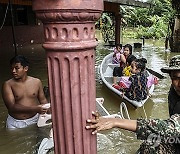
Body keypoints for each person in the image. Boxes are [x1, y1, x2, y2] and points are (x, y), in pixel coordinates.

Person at [86, 55, 180, 153]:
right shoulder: (174, 91)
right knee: (150, 144)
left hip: (175, 133)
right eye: (175, 78)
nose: (179, 84)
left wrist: (115, 122)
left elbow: (169, 126)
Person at [2, 55, 49, 129]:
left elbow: (43, 100)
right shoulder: (8, 85)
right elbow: (12, 107)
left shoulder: (36, 82)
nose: (13, 71)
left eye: (17, 68)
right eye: (12, 68)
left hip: (35, 120)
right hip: (15, 123)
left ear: (26, 68)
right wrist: (35, 109)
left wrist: (48, 113)